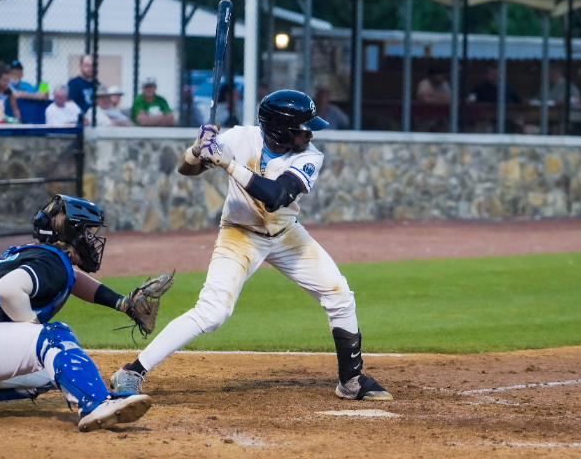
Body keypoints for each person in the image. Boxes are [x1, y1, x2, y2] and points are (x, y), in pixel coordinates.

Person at [110, 90, 393, 402]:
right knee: (214, 311)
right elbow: (186, 169)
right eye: (303, 128)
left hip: (285, 233)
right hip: (240, 233)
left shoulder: (309, 156)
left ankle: (350, 381)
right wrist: (196, 151)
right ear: (280, 130)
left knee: (339, 293)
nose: (310, 133)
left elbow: (276, 197)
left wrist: (229, 164)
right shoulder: (240, 138)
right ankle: (132, 371)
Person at [0, 195, 152, 432]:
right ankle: (96, 404)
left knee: (50, 370)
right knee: (55, 338)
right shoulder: (52, 262)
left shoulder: (43, 257)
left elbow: (75, 280)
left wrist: (122, 303)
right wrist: (31, 327)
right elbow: (8, 289)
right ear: (72, 233)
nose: (92, 240)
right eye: (87, 232)